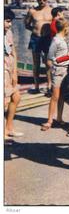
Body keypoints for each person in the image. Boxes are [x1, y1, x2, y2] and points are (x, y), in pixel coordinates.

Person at [41, 18, 69, 131]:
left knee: (62, 96)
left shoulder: (66, 39)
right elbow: (49, 59)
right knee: (55, 97)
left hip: (67, 70)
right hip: (59, 71)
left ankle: (59, 118)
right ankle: (49, 120)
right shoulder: (56, 41)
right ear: (65, 28)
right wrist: (54, 69)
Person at [24, 0, 53, 94]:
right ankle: (36, 87)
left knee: (48, 64)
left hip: (47, 39)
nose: (42, 1)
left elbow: (58, 24)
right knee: (36, 64)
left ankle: (49, 87)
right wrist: (35, 30)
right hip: (35, 39)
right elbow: (26, 24)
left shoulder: (51, 11)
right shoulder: (32, 11)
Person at [4, 9, 23, 140]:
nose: (9, 25)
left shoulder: (8, 33)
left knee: (16, 97)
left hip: (10, 71)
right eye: (7, 21)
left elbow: (13, 51)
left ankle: (8, 128)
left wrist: (15, 72)